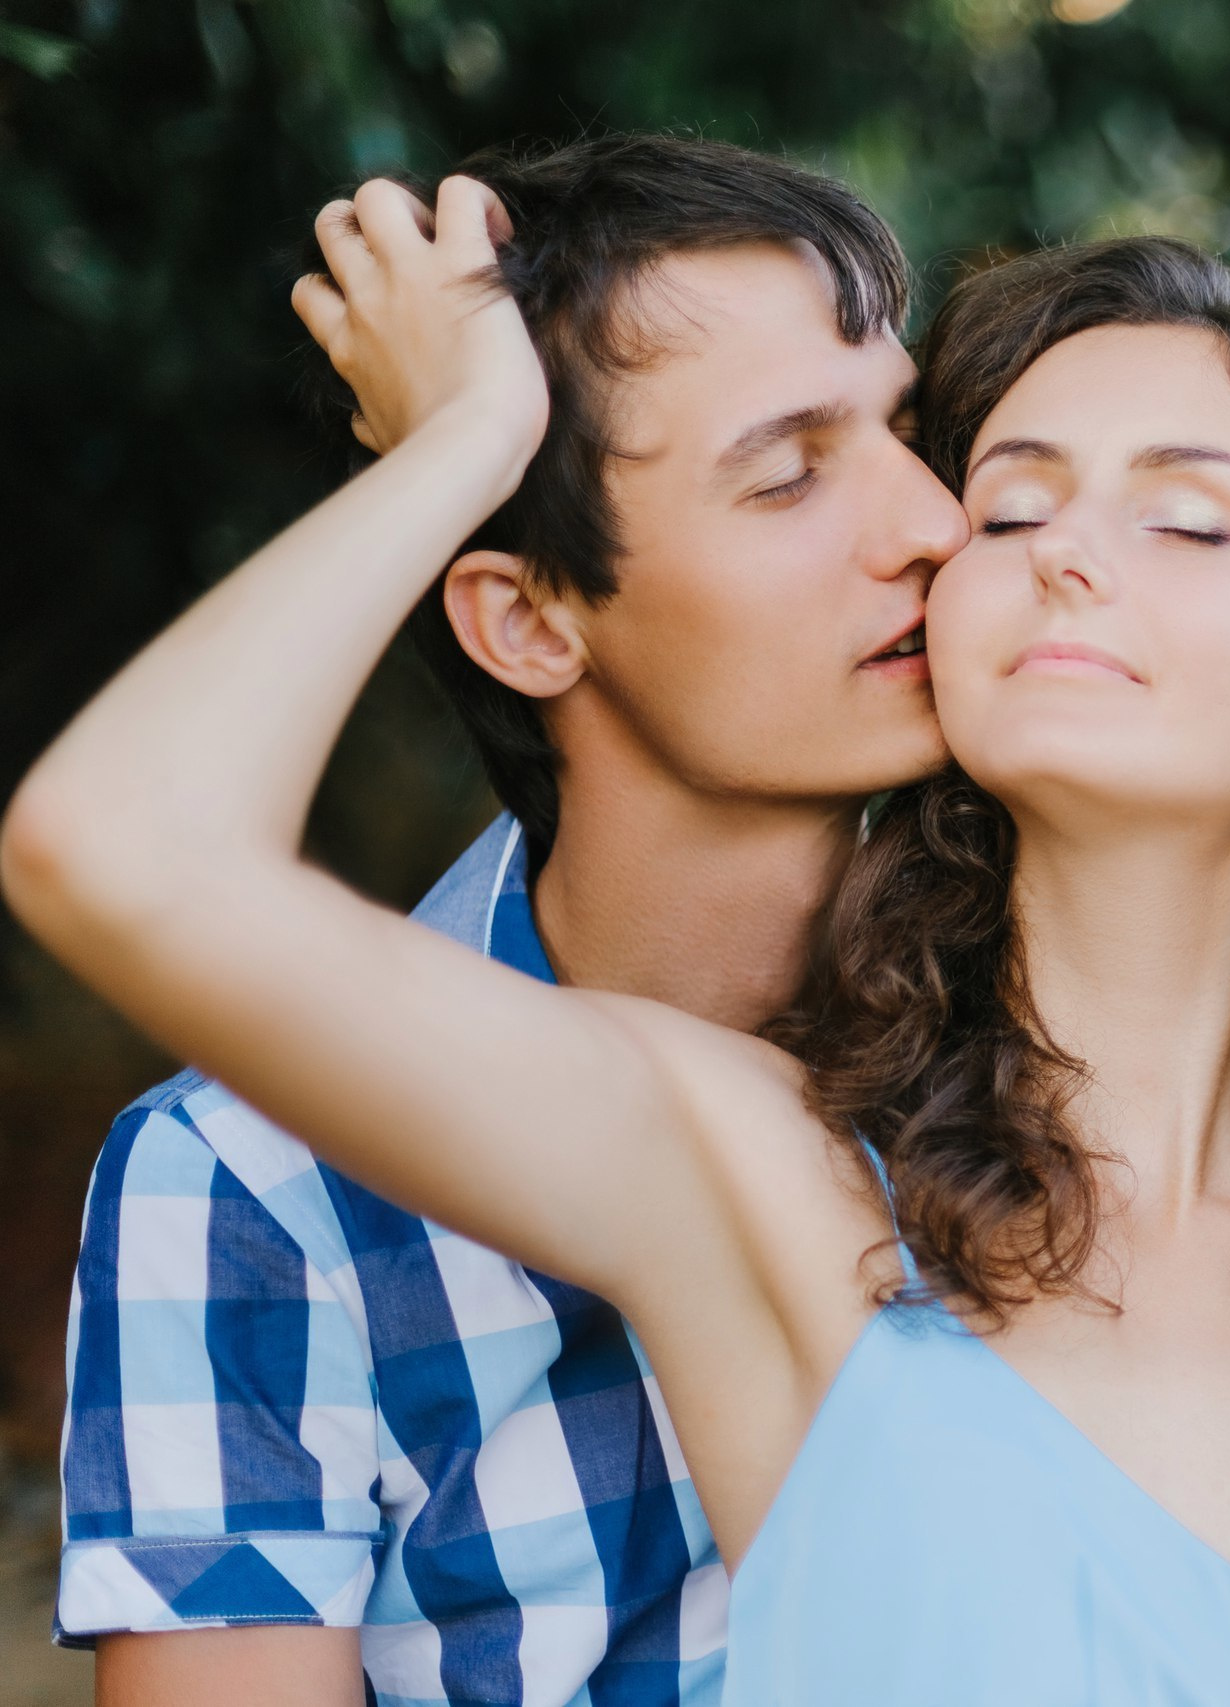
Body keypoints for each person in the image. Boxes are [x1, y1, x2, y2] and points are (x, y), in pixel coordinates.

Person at [6, 174, 1230, 1705]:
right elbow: (125, 856)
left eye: (1186, 516)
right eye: (1011, 503)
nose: (1016, 547)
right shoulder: (773, 1189)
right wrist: (469, 446)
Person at [45, 137, 964, 1707]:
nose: (935, 523)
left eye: (912, 432)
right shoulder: (259, 1185)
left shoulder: (1068, 1042)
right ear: (531, 619)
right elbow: (123, 849)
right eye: (790, 471)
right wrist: (467, 440)